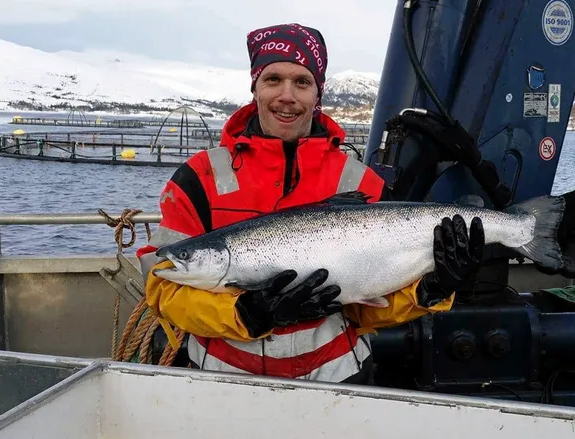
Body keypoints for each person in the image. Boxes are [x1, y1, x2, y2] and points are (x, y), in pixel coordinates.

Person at [136, 22, 485, 384]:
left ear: (317, 93)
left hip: (337, 378)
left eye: (302, 82)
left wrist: (431, 289)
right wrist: (244, 314)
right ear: (254, 86)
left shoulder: (359, 181)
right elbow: (161, 287)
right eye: (273, 79)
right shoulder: (199, 177)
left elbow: (367, 309)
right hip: (223, 381)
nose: (287, 95)